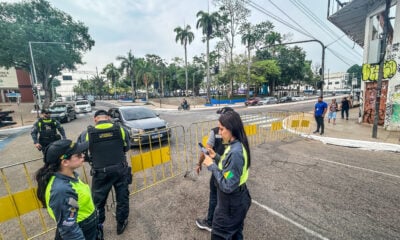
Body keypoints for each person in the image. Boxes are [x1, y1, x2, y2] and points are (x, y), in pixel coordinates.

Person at [77, 109, 131, 236]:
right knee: (122, 197)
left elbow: (80, 152)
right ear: (108, 117)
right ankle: (121, 223)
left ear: (95, 119)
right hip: (120, 170)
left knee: (98, 202)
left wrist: (92, 159)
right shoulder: (121, 129)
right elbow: (127, 147)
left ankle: (98, 227)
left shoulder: (87, 133)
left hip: (100, 173)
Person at [35, 139, 98, 239]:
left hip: (89, 225)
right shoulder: (61, 190)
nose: (83, 155)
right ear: (64, 162)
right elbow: (69, 230)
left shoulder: (70, 175)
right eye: (78, 155)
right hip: (81, 230)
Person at [202, 111, 252, 240]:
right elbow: (230, 171)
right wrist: (216, 157)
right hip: (238, 201)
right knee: (236, 234)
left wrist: (211, 166)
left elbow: (228, 185)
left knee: (220, 235)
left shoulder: (235, 152)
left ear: (232, 129)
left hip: (230, 206)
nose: (219, 132)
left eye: (222, 129)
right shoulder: (237, 145)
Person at [195, 106, 234, 232]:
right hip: (230, 171)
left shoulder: (215, 131)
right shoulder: (237, 134)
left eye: (221, 117)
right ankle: (227, 217)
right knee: (226, 194)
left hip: (219, 171)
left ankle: (210, 222)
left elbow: (205, 151)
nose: (220, 131)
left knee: (214, 195)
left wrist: (199, 163)